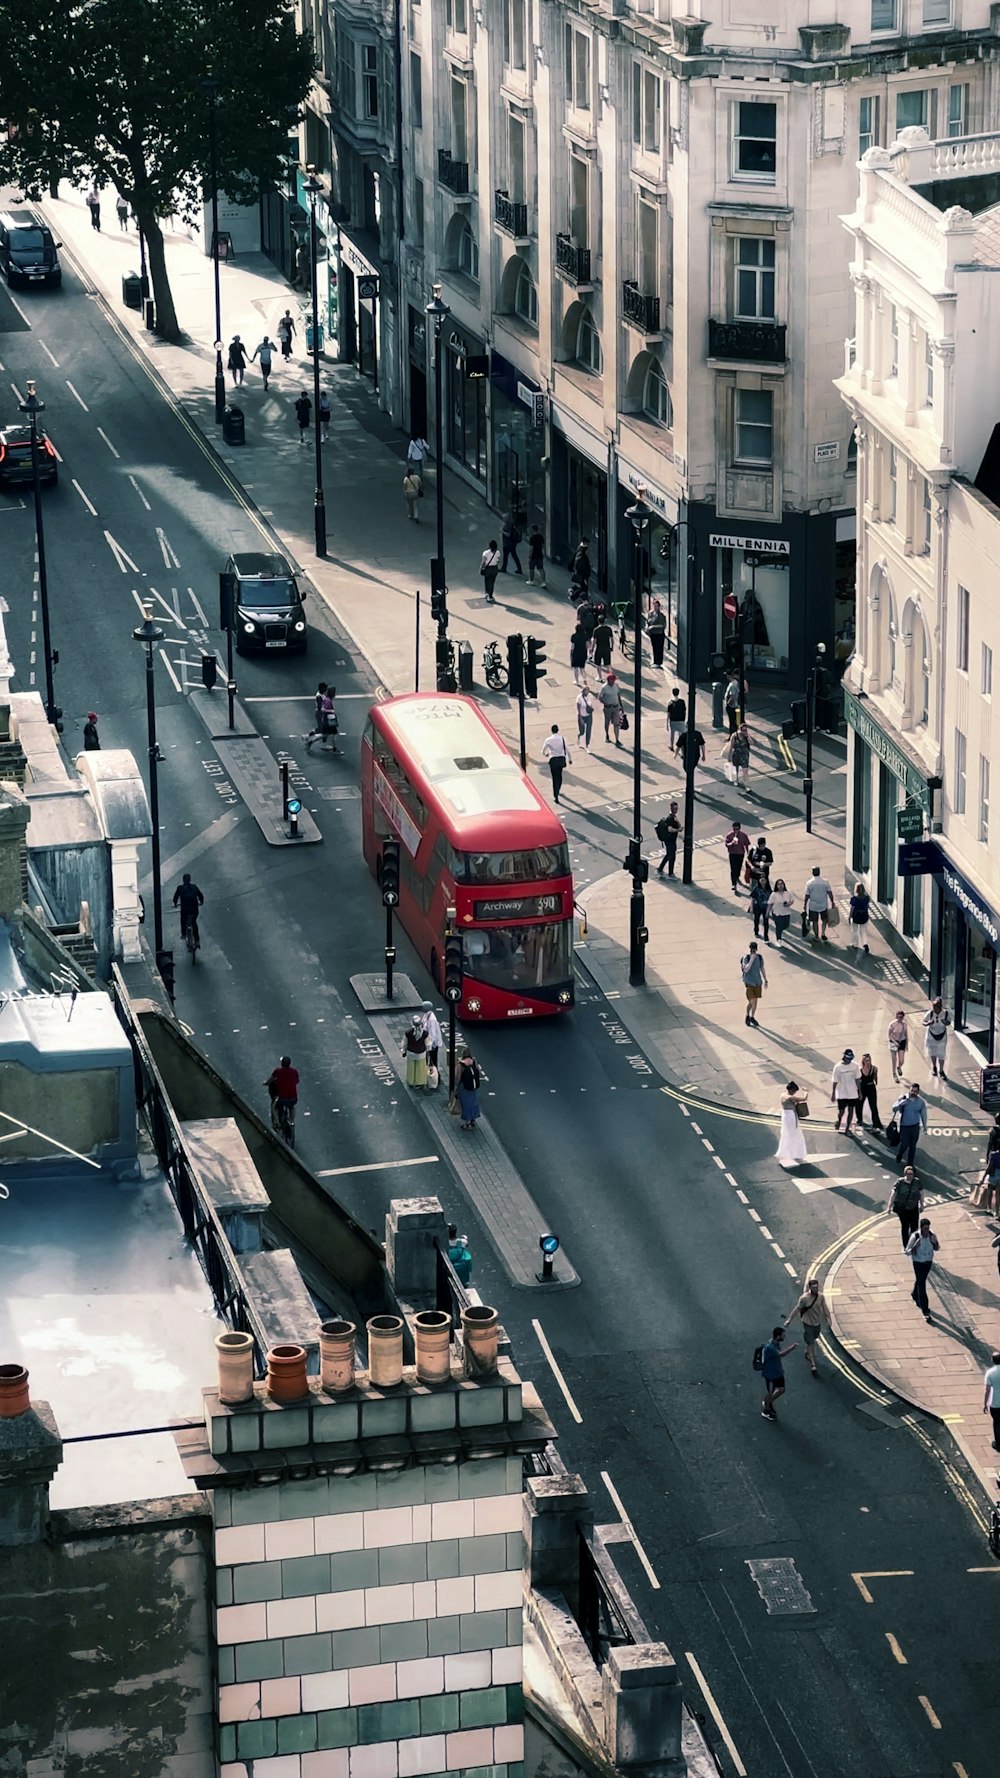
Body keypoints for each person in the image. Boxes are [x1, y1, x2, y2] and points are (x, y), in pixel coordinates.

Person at [786, 1278, 830, 1375]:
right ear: (809, 1288)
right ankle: (813, 1364)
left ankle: (808, 1352)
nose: (816, 1289)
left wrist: (828, 1318)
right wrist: (789, 1319)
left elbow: (825, 1307)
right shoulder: (804, 1298)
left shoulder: (821, 1296)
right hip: (807, 1323)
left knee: (814, 1338)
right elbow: (797, 1308)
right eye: (814, 1287)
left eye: (817, 1287)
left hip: (817, 1323)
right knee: (811, 1343)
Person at [905, 1217, 939, 1321]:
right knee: (922, 1284)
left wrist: (935, 1243)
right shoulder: (915, 1236)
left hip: (928, 1261)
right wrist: (915, 1246)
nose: (926, 1231)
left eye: (928, 1228)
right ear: (921, 1228)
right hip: (918, 1262)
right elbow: (907, 1251)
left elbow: (937, 1248)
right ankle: (925, 1311)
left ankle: (914, 1293)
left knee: (920, 1281)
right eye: (924, 1228)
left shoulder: (932, 1235)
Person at [760, 1326, 797, 1421]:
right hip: (770, 1374)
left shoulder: (776, 1343)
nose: (784, 1337)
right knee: (770, 1391)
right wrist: (791, 1348)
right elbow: (781, 1354)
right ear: (777, 1336)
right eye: (783, 1335)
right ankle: (766, 1411)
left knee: (781, 1389)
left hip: (777, 1372)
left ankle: (768, 1402)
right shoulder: (770, 1347)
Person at [893, 1081, 928, 1169]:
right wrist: (900, 1104)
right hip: (904, 1126)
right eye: (912, 1090)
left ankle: (910, 1165)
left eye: (915, 1091)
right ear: (909, 1090)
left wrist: (925, 1127)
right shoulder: (903, 1098)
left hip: (915, 1126)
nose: (913, 1093)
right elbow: (894, 1109)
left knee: (913, 1146)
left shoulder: (920, 1102)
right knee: (904, 1144)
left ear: (918, 1092)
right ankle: (900, 1154)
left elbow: (923, 1114)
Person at [888, 1166, 922, 1250]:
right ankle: (906, 1245)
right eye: (908, 1173)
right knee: (905, 1226)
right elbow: (893, 1194)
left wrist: (922, 1204)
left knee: (914, 1226)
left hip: (913, 1207)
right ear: (905, 1174)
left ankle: (913, 1243)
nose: (910, 1175)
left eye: (911, 1173)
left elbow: (921, 1193)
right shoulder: (899, 1183)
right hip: (902, 1208)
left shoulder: (917, 1182)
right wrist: (889, 1206)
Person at [776, 1082, 809, 1168]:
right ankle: (793, 1153)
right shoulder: (790, 1097)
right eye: (794, 1091)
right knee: (793, 1134)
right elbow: (804, 1098)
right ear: (791, 1090)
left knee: (786, 1133)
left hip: (785, 1115)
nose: (795, 1093)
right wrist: (806, 1091)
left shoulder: (782, 1095)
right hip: (791, 1116)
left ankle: (789, 1152)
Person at [831, 1048, 862, 1133]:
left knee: (851, 1111)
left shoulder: (855, 1066)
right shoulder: (838, 1067)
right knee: (841, 1111)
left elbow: (857, 1080)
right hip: (841, 1093)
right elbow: (834, 1081)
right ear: (844, 1057)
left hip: (852, 1093)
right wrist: (833, 1094)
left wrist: (860, 1092)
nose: (849, 1060)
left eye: (851, 1058)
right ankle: (839, 1120)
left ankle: (847, 1129)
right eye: (848, 1058)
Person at [972, 1116, 1000, 1209]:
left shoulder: (993, 1130)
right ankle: (997, 1210)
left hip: (994, 1158)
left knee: (990, 1187)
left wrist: (987, 1156)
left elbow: (990, 1143)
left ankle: (989, 1207)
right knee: (998, 1191)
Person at [266, 1055, 300, 1129]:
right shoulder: (294, 1071)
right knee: (292, 1107)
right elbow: (297, 1081)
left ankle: (278, 1123)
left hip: (282, 1098)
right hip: (293, 1097)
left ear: (282, 1063)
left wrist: (266, 1083)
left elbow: (270, 1080)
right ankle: (292, 1122)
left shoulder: (278, 1071)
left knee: (274, 1107)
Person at [803, 866, 835, 941]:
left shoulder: (809, 883)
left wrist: (805, 904)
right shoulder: (825, 882)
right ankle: (823, 933)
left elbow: (807, 895)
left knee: (815, 921)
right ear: (819, 872)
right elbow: (830, 893)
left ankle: (816, 936)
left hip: (813, 906)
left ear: (812, 873)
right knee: (824, 919)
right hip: (823, 905)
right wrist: (832, 901)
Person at [172, 873, 204, 948]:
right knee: (194, 922)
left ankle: (183, 934)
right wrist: (201, 902)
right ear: (190, 879)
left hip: (185, 909)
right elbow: (200, 896)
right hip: (194, 909)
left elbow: (175, 897)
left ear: (183, 880)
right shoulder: (194, 887)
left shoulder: (180, 888)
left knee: (183, 919)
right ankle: (197, 941)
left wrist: (175, 904)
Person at [923, 998, 951, 1080]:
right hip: (931, 1036)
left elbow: (949, 1022)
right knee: (932, 1052)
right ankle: (934, 1067)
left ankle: (941, 1070)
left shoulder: (945, 1013)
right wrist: (928, 1023)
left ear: (940, 1007)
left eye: (936, 1008)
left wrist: (946, 1022)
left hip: (942, 1036)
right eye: (933, 1007)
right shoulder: (930, 1013)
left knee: (941, 1054)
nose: (934, 1009)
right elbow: (923, 1022)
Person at [542, 725, 571, 804]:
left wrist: (546, 754)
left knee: (554, 777)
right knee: (559, 776)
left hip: (553, 759)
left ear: (551, 731)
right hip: (561, 759)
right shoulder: (562, 739)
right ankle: (558, 789)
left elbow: (543, 751)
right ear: (558, 730)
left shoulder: (548, 740)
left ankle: (555, 795)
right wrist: (570, 759)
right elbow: (567, 749)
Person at [741, 940, 767, 1027]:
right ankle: (747, 1015)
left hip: (757, 982)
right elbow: (745, 969)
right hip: (749, 982)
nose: (753, 951)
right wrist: (751, 960)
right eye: (752, 949)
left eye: (754, 949)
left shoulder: (759, 957)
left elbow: (762, 968)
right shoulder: (746, 958)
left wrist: (765, 979)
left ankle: (752, 1016)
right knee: (752, 1001)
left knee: (755, 1001)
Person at [419, 1001, 443, 1087]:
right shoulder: (427, 1015)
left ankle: (436, 1078)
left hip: (432, 1045)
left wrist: (430, 1046)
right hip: (427, 1043)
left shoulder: (432, 1019)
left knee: (432, 1061)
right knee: (429, 1061)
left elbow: (432, 1034)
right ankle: (430, 1075)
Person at [456, 1048, 482, 1129]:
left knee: (466, 1104)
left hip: (464, 1087)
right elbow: (478, 1072)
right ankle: (473, 1120)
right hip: (473, 1086)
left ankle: (467, 1123)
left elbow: (458, 1077)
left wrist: (455, 1087)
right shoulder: (473, 1061)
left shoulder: (460, 1065)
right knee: (473, 1102)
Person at [401, 1015, 429, 1089]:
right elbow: (428, 1043)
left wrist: (403, 1051)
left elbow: (405, 1043)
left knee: (411, 1067)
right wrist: (428, 1050)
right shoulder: (425, 1033)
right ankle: (419, 1082)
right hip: (421, 1053)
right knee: (420, 1068)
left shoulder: (408, 1032)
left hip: (411, 1053)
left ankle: (411, 1081)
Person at [724, 820, 751, 894]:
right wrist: (732, 843)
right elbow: (726, 844)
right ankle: (733, 884)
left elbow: (746, 844)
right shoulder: (730, 835)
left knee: (738, 868)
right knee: (733, 869)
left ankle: (737, 876)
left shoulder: (743, 835)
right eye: (734, 829)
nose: (735, 831)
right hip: (732, 854)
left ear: (739, 829)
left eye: (737, 829)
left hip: (740, 853)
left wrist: (748, 852)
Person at [856, 1053, 882, 1130]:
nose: (868, 1062)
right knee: (859, 1105)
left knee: (873, 1106)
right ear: (863, 1061)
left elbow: (875, 1079)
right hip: (862, 1088)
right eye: (866, 1060)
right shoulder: (859, 1070)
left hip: (871, 1088)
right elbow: (857, 1080)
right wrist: (859, 1092)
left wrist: (875, 1082)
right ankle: (859, 1120)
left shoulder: (874, 1069)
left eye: (869, 1060)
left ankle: (876, 1123)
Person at [599, 673, 625, 746]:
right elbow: (600, 697)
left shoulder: (616, 685)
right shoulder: (604, 687)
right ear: (609, 680)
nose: (613, 681)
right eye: (612, 680)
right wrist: (606, 704)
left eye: (614, 679)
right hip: (608, 708)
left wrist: (621, 705)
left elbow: (618, 694)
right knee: (607, 722)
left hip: (616, 707)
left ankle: (617, 739)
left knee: (616, 724)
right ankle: (607, 735)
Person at [655, 802, 680, 878]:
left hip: (671, 840)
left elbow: (678, 825)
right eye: (675, 808)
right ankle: (670, 872)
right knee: (671, 856)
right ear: (671, 808)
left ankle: (661, 868)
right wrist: (678, 829)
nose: (676, 810)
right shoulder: (670, 819)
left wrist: (678, 823)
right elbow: (670, 830)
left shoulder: (673, 817)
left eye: (677, 808)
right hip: (670, 840)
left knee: (669, 855)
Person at [725, 723, 751, 794]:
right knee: (736, 770)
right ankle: (736, 780)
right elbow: (731, 746)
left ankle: (747, 786)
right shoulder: (734, 735)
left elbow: (751, 743)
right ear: (739, 729)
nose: (744, 731)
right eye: (743, 730)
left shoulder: (746, 736)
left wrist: (748, 736)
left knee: (745, 771)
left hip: (744, 756)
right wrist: (729, 756)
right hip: (736, 755)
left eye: (745, 730)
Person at [768, 878, 795, 945]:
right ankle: (778, 939)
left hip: (786, 913)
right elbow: (770, 904)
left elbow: (792, 900)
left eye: (781, 884)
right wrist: (767, 912)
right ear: (776, 886)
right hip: (777, 913)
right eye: (778, 884)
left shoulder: (788, 893)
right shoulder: (774, 894)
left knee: (786, 925)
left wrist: (788, 904)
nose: (780, 885)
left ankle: (780, 931)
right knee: (779, 926)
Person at [848, 881, 872, 953]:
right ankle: (865, 944)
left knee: (855, 931)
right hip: (864, 917)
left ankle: (855, 944)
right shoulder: (867, 898)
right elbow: (867, 906)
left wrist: (850, 917)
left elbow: (852, 908)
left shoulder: (854, 898)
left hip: (856, 917)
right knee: (863, 931)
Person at [984, 1351, 1000, 1452]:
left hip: (995, 1402)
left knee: (997, 1422)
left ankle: (998, 1443)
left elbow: (987, 1390)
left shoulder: (990, 1373)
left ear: (992, 1360)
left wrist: (985, 1403)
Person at [749, 871, 772, 941]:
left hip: (765, 908)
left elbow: (772, 900)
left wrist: (770, 909)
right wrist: (751, 907)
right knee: (756, 920)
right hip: (757, 907)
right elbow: (753, 898)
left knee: (766, 922)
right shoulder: (756, 889)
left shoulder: (769, 890)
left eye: (764, 880)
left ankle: (766, 936)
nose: (762, 881)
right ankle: (756, 931)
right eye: (761, 880)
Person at [888, 1009, 909, 1082]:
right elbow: (889, 1035)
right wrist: (895, 1042)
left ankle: (899, 1067)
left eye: (901, 1017)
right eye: (899, 1017)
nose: (900, 1019)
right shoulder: (892, 1024)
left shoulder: (904, 1024)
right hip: (893, 1042)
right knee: (894, 1059)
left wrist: (906, 1045)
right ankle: (894, 1073)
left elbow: (906, 1035)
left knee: (901, 1060)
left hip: (901, 1041)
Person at [646, 598, 667, 667]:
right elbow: (648, 621)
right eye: (654, 605)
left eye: (656, 606)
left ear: (659, 606)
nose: (655, 607)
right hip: (653, 634)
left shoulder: (661, 615)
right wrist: (647, 627)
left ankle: (658, 662)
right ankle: (655, 661)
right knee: (654, 647)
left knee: (659, 648)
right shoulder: (650, 613)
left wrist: (652, 627)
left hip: (659, 634)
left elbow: (662, 625)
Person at [570, 623, 590, 687]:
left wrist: (571, 654)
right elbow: (587, 646)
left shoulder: (574, 636)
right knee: (582, 668)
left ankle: (577, 681)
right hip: (583, 653)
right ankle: (584, 679)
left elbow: (572, 647)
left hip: (576, 653)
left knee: (575, 668)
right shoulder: (585, 636)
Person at [576, 685, 595, 752]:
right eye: (586, 690)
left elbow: (591, 703)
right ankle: (580, 736)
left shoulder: (589, 696)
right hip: (582, 715)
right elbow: (578, 709)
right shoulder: (579, 698)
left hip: (589, 715)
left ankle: (587, 745)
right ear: (583, 691)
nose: (587, 691)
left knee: (588, 730)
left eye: (588, 690)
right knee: (582, 731)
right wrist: (580, 718)